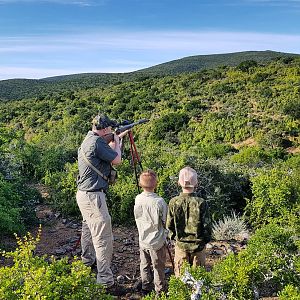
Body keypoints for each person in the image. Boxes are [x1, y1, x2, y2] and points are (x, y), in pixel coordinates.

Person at [76, 113, 126, 289]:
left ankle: (86, 262)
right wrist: (118, 142)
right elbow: (117, 159)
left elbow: (106, 154)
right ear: (104, 129)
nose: (111, 130)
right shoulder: (97, 142)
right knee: (103, 237)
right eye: (109, 129)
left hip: (84, 194)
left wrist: (114, 140)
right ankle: (104, 279)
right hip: (94, 196)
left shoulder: (89, 139)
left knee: (88, 230)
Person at [166, 166, 211, 277]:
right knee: (198, 281)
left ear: (178, 183)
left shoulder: (174, 202)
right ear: (196, 184)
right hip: (198, 247)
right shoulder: (201, 202)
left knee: (181, 280)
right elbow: (207, 226)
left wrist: (173, 238)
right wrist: (205, 241)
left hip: (181, 245)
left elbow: (169, 225)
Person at [134, 170, 168, 296]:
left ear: (140, 184)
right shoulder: (159, 201)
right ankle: (160, 291)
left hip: (143, 240)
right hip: (157, 242)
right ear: (156, 184)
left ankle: (146, 286)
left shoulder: (138, 198)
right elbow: (165, 220)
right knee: (158, 267)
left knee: (144, 265)